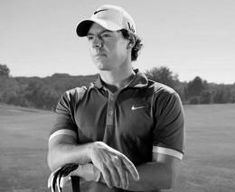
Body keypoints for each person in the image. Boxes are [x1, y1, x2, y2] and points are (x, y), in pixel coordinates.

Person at [47, 4, 184, 192]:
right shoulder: (73, 99)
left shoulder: (162, 98)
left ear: (130, 42)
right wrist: (90, 150)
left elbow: (165, 175)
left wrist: (94, 172)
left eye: (105, 35)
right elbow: (55, 157)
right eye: (91, 38)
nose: (96, 43)